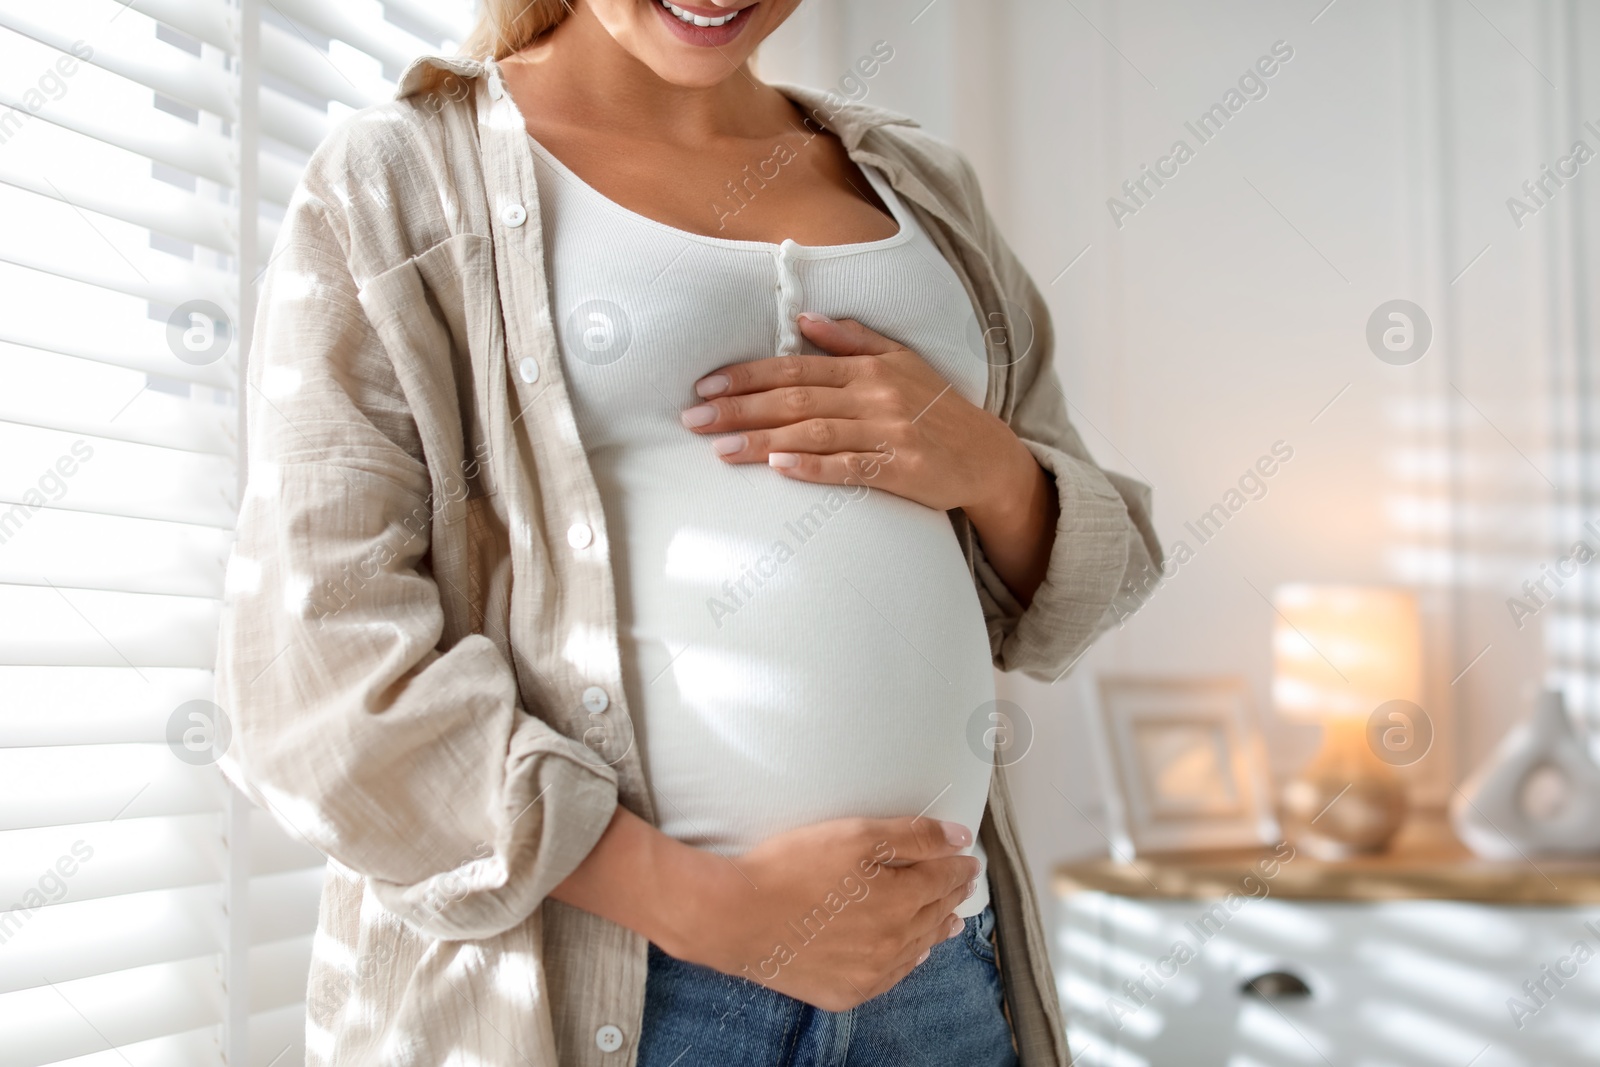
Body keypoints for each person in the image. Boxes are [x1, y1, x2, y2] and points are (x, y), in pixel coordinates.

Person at [215, 1, 1160, 1063]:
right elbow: (313, 668)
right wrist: (709, 905)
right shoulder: (397, 181)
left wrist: (984, 464)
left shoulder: (923, 187)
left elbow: (1091, 575)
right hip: (630, 997)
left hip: (932, 971)